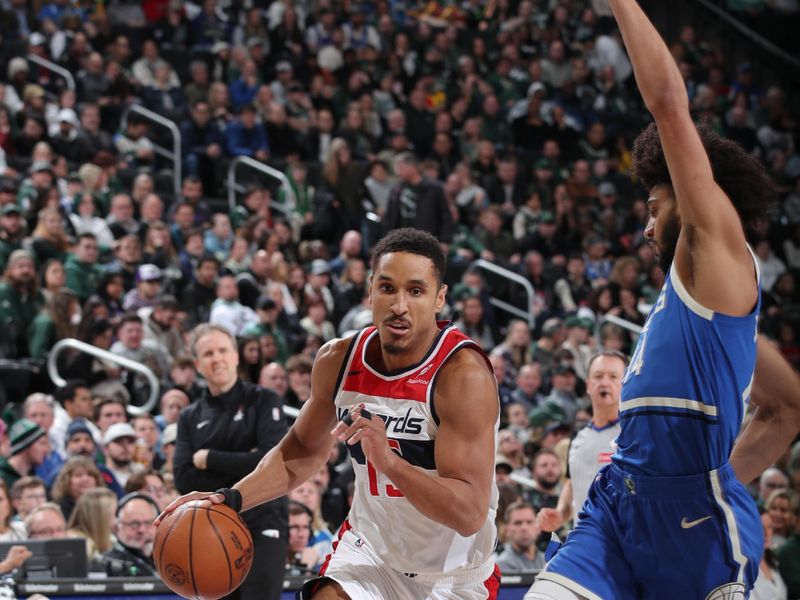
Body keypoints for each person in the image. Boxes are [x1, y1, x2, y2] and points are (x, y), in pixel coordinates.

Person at [525, 2, 800, 599]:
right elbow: (787, 407)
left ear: (694, 191)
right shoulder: (701, 306)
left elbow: (669, 105)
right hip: (620, 502)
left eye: (654, 209)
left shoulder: (721, 249)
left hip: (695, 528)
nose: (647, 228)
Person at [159, 228, 502, 600]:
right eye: (387, 288)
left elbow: (468, 514)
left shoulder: (462, 377)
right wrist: (231, 499)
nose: (399, 305)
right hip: (370, 555)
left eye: (415, 291)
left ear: (439, 299)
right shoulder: (338, 360)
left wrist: (390, 463)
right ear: (371, 290)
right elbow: (302, 452)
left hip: (453, 576)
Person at [172, 324, 289, 600]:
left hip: (263, 521)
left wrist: (209, 458)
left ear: (236, 356)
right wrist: (245, 462)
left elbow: (270, 461)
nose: (217, 358)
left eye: (223, 350)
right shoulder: (190, 416)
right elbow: (183, 478)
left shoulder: (264, 399)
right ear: (198, 365)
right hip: (210, 529)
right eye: (208, 353)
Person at [537, 351, 627, 533]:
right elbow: (573, 482)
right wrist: (561, 513)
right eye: (598, 376)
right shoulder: (577, 436)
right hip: (583, 541)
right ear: (588, 385)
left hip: (623, 541)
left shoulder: (633, 434)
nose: (604, 382)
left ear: (626, 385)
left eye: (613, 376)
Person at [495, 502, 545, 573]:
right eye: (518, 523)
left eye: (529, 522)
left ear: (538, 527)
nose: (524, 528)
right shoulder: (501, 565)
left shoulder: (548, 562)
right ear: (507, 529)